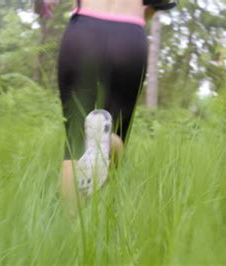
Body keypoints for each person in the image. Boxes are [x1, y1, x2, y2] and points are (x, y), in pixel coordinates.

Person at [39, 0, 158, 215]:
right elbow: (152, 7)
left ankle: (71, 232)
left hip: (83, 32)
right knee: (117, 130)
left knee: (74, 142)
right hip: (129, 37)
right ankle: (109, 142)